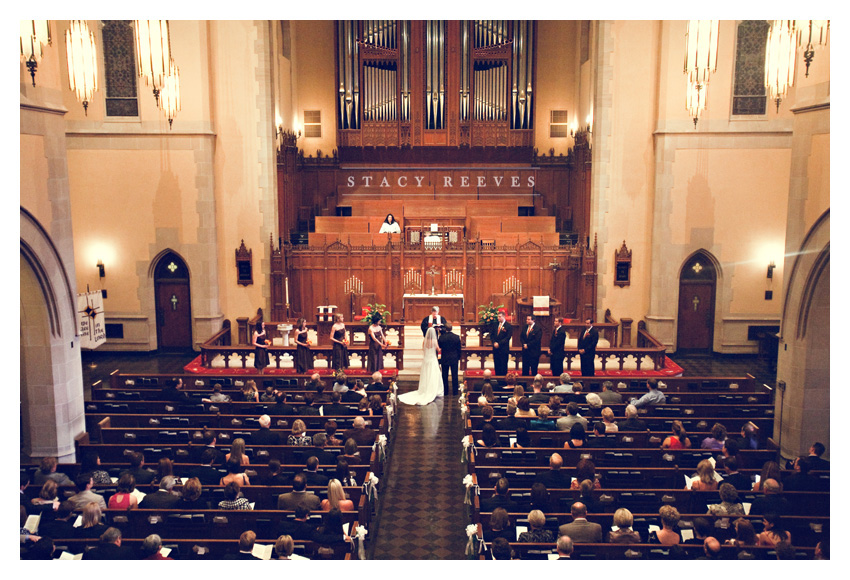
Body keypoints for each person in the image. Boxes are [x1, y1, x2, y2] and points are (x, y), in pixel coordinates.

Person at [399, 327, 443, 406]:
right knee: (433, 374)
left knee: (426, 374)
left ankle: (425, 389)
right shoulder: (434, 341)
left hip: (426, 359)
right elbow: (438, 349)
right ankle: (433, 389)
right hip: (432, 359)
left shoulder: (425, 341)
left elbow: (423, 349)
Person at [438, 320, 462, 396]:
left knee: (444, 375)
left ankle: (445, 391)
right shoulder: (456, 337)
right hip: (454, 357)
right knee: (455, 375)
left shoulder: (442, 337)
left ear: (445, 329)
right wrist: (458, 357)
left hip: (445, 357)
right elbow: (459, 349)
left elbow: (440, 347)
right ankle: (455, 392)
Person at [491, 310, 512, 376]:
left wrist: (499, 344)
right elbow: (492, 335)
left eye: (500, 317)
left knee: (503, 364)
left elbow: (507, 337)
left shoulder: (508, 326)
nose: (498, 318)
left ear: (504, 317)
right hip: (495, 348)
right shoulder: (495, 325)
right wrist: (494, 342)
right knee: (497, 364)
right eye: (498, 317)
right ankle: (497, 378)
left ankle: (503, 380)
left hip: (503, 348)